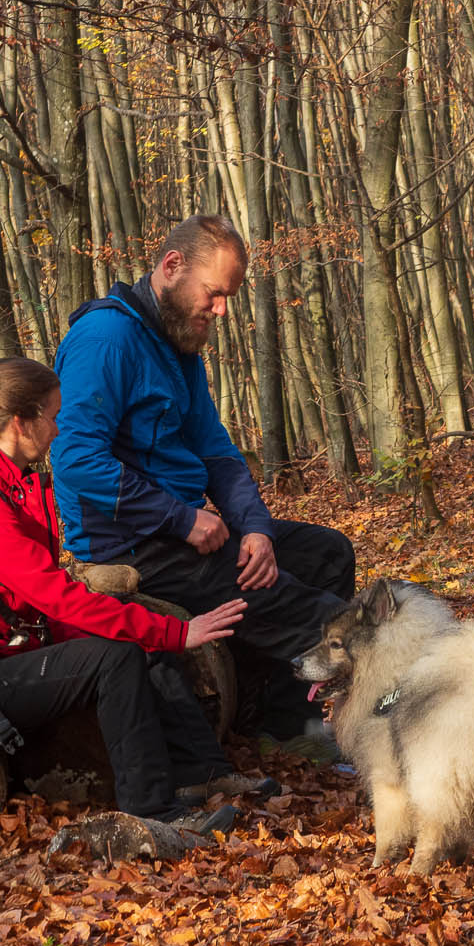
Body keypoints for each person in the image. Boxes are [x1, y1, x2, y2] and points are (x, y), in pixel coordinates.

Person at [0, 356, 269, 826]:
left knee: (142, 643)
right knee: (117, 657)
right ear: (22, 422)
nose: (59, 430)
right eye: (53, 417)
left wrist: (157, 634)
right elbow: (56, 596)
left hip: (0, 650)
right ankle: (153, 812)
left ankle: (202, 773)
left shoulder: (0, 482)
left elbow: (34, 600)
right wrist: (177, 633)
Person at [50, 214, 355, 750]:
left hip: (185, 529)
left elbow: (216, 452)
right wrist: (182, 518)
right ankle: (405, 703)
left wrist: (255, 528)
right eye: (215, 293)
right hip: (131, 543)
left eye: (227, 297)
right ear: (172, 266)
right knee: (311, 615)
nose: (221, 310)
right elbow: (74, 458)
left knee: (326, 554)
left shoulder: (178, 345)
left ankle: (286, 728)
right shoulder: (105, 338)